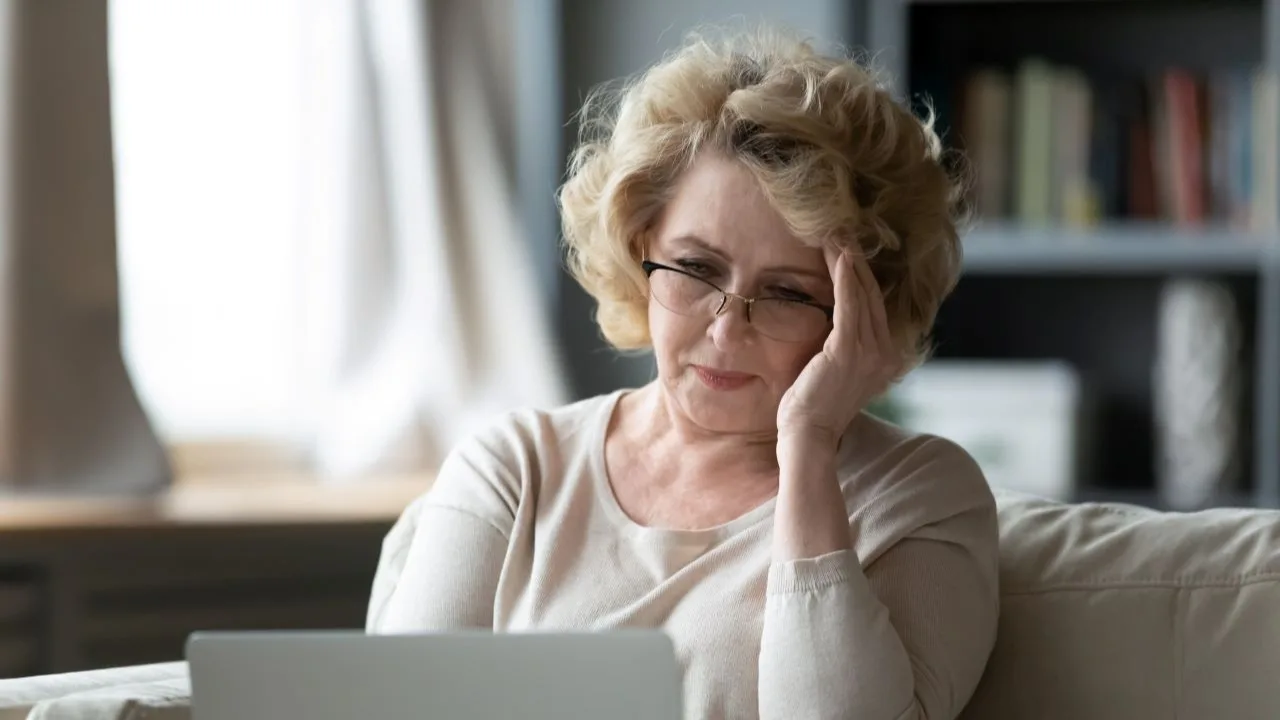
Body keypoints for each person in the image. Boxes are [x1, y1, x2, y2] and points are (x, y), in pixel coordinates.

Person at [367, 24, 999, 720]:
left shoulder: (921, 496)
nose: (727, 328)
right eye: (696, 270)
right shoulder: (516, 469)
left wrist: (810, 447)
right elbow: (403, 706)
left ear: (862, 312)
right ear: (640, 249)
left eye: (788, 292)